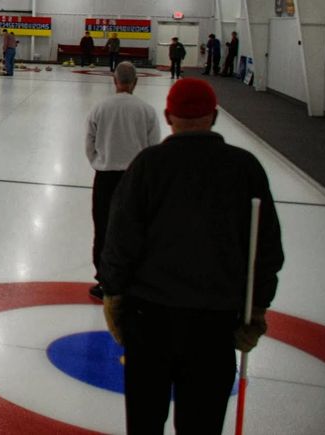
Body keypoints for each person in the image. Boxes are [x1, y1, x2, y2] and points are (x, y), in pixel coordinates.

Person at [101, 78, 284, 435]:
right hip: (213, 326)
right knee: (202, 425)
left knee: (144, 421)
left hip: (149, 320)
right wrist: (257, 309)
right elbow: (265, 248)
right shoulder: (244, 168)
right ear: (214, 116)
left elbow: (120, 239)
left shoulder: (148, 165)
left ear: (168, 116)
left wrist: (113, 295)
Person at [84, 62, 160, 300]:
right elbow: (153, 146)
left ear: (114, 80)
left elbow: (89, 143)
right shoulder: (146, 110)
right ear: (135, 81)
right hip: (134, 179)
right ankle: (133, 280)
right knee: (135, 230)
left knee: (104, 228)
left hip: (105, 177)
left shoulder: (100, 108)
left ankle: (105, 280)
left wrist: (99, 160)